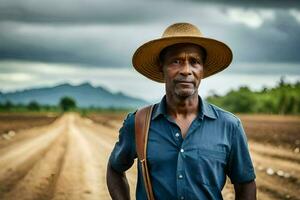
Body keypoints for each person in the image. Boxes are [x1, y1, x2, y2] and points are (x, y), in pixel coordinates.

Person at [107, 22, 256, 200]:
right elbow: (115, 169)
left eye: (194, 62)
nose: (186, 70)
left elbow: (245, 183)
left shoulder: (229, 126)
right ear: (161, 68)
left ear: (202, 70)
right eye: (176, 61)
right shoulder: (138, 123)